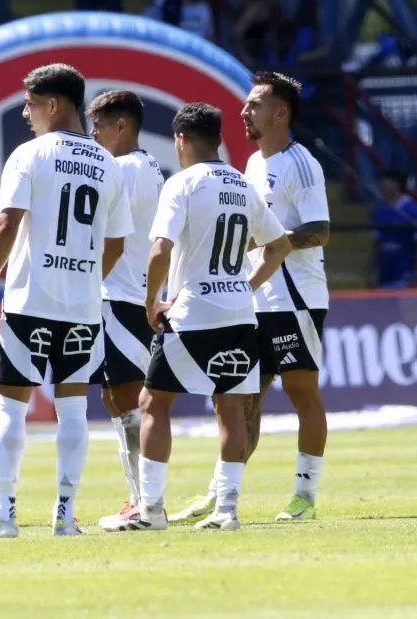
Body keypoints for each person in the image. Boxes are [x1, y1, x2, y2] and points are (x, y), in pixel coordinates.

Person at [0, 64, 133, 539]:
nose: (27, 114)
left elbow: (7, 222)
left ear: (53, 105)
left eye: (30, 104)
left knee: (10, 407)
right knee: (73, 409)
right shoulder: (108, 165)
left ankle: (5, 515)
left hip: (31, 299)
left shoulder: (29, 155)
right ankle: (64, 516)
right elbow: (116, 242)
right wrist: (88, 280)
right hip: (82, 307)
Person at [113, 102, 291, 532]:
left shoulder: (183, 184)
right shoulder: (243, 185)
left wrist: (152, 300)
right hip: (238, 314)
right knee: (231, 409)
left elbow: (159, 250)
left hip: (191, 312)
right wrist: (245, 286)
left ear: (181, 139)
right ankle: (226, 510)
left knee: (153, 403)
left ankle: (152, 510)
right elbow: (280, 244)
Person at [169, 72, 331, 524]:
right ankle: (220, 495)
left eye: (255, 104)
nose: (244, 111)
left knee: (302, 393)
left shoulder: (300, 163)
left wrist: (268, 242)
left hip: (296, 298)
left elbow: (320, 231)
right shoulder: (252, 166)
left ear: (281, 113)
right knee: (240, 400)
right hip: (253, 296)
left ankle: (304, 495)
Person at [84, 90, 165, 530]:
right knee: (115, 394)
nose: (93, 136)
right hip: (124, 295)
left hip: (124, 296)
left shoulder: (125, 170)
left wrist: (87, 281)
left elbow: (109, 236)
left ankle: (148, 501)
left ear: (121, 125)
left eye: (97, 126)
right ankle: (139, 496)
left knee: (130, 397)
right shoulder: (145, 165)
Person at [370, 169, 417, 288]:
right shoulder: (380, 210)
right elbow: (377, 243)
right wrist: (372, 270)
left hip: (405, 271)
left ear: (396, 184)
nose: (383, 185)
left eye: (386, 182)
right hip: (385, 272)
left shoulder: (412, 210)